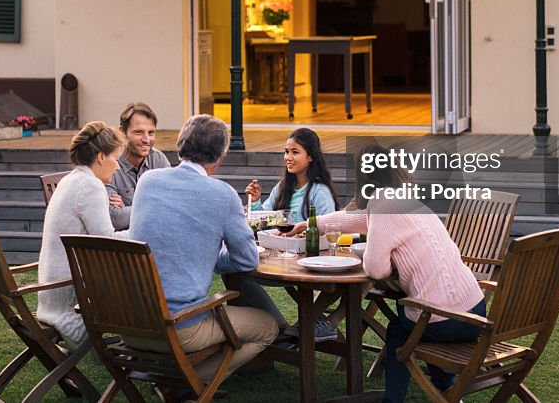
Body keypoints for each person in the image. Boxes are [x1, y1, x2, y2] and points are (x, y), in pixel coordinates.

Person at [289, 148, 486, 400]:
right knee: (412, 323)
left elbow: (376, 269)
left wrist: (371, 247)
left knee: (400, 329)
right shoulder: (405, 199)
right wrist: (309, 224)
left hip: (445, 322)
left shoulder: (381, 202)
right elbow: (356, 219)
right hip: (475, 313)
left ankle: (394, 399)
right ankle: (445, 386)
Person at [128, 114, 278, 389]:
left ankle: (177, 373)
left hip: (130, 323)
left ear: (180, 145)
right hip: (178, 326)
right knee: (268, 327)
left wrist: (202, 252)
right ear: (220, 155)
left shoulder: (148, 181)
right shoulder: (222, 194)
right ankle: (190, 381)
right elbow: (246, 260)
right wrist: (212, 256)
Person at [241, 127, 340, 339]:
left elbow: (330, 226)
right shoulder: (284, 186)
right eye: (286, 152)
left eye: (295, 152)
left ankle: (287, 333)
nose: (288, 157)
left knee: (242, 274)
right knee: (239, 274)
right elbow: (265, 220)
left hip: (307, 265)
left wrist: (305, 232)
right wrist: (256, 201)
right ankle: (281, 328)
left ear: (311, 156)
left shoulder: (319, 191)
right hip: (281, 259)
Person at [36, 121, 126, 352]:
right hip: (69, 303)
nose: (118, 167)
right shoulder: (90, 186)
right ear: (101, 157)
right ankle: (152, 346)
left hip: (51, 294)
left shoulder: (71, 179)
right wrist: (146, 230)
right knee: (142, 282)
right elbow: (105, 242)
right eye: (116, 158)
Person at [107, 102, 171, 231]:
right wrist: (156, 204)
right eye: (139, 132)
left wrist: (128, 209)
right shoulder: (109, 163)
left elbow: (173, 206)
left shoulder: (158, 160)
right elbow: (114, 219)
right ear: (122, 133)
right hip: (120, 246)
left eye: (151, 133)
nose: (146, 140)